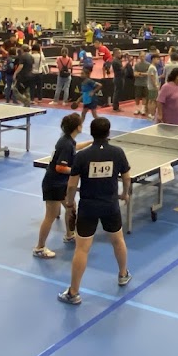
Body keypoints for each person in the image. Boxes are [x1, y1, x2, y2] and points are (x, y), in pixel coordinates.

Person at [59, 117, 132, 304]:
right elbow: (127, 177)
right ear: (108, 133)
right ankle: (123, 274)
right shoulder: (117, 152)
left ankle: (73, 293)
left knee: (82, 249)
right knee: (118, 241)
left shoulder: (82, 156)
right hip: (110, 205)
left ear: (91, 133)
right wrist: (125, 194)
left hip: (88, 207)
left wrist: (69, 202)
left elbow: (72, 185)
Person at [33, 113, 90, 258]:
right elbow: (60, 167)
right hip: (53, 184)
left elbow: (75, 147)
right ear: (77, 127)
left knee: (71, 207)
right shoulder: (66, 144)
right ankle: (39, 248)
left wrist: (91, 142)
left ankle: (70, 235)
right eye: (81, 123)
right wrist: (77, 171)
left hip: (61, 183)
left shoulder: (68, 141)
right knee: (50, 216)